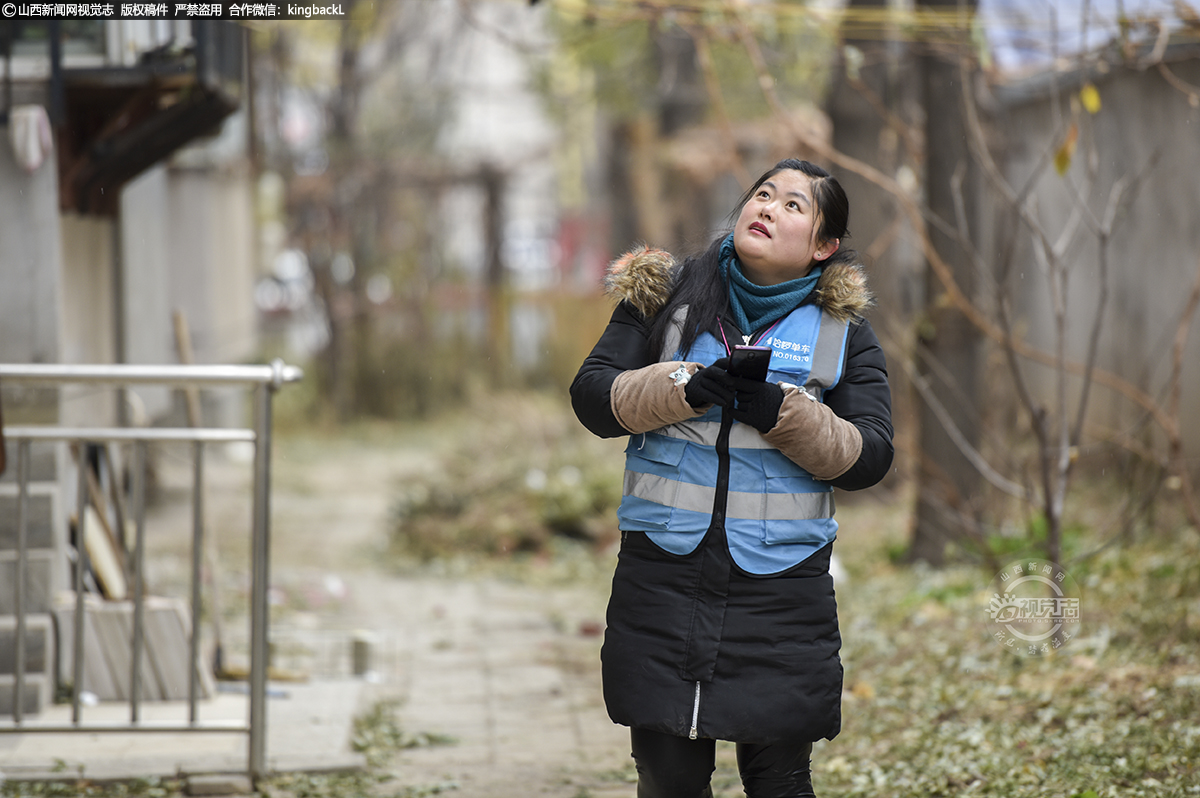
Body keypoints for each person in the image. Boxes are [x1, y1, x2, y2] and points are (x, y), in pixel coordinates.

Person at [570, 158, 893, 798]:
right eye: (762, 194)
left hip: (781, 597)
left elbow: (871, 457)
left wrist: (784, 413)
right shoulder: (663, 295)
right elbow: (592, 398)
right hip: (663, 582)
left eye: (793, 205)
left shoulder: (844, 331)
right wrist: (682, 388)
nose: (768, 207)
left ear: (824, 246)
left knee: (779, 782)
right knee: (669, 782)